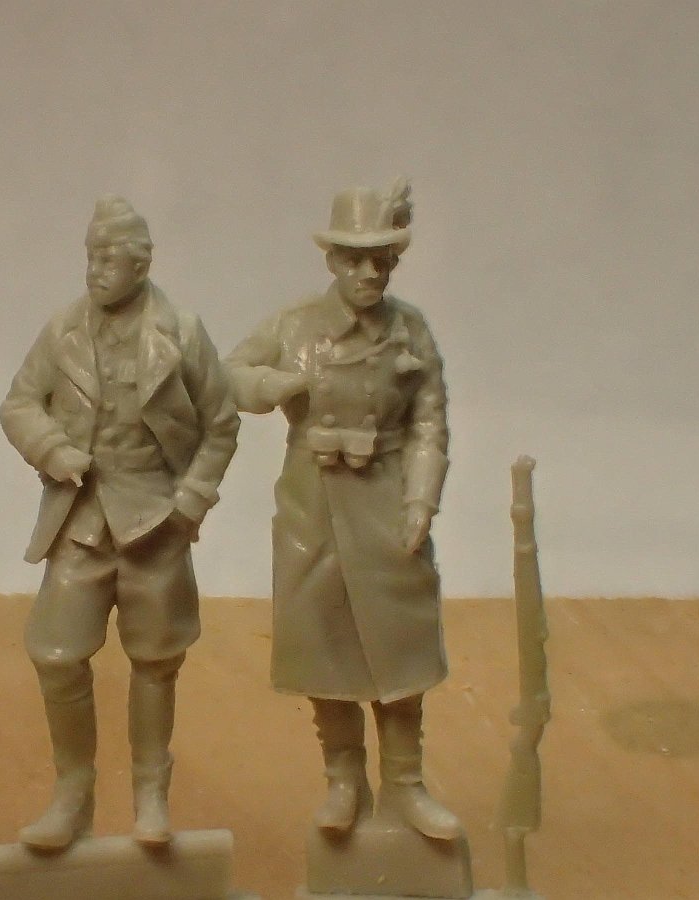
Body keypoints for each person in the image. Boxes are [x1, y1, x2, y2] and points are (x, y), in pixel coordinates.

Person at [225, 180, 462, 840]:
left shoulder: (410, 331)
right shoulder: (294, 326)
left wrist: (421, 499)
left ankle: (406, 783)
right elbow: (228, 374)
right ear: (332, 259)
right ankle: (343, 780)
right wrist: (277, 384)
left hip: (386, 497)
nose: (368, 272)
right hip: (314, 504)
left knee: (400, 647)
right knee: (323, 646)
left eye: (381, 258)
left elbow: (430, 424)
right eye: (355, 258)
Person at [0, 196, 239, 850]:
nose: (95, 269)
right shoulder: (64, 330)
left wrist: (190, 503)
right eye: (91, 256)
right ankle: (72, 793)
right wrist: (52, 449)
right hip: (80, 520)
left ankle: (150, 794)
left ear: (141, 263)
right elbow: (19, 404)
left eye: (109, 257)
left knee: (156, 662)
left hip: (155, 522)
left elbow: (221, 425)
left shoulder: (180, 331)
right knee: (57, 656)